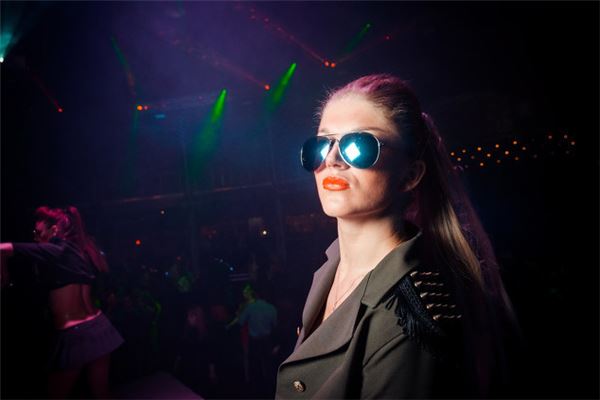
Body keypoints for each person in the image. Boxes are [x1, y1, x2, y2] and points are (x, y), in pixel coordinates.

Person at [276, 74, 519, 398]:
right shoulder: (330, 269)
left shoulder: (408, 320)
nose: (331, 161)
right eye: (321, 144)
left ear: (410, 175)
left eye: (359, 146)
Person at [0, 206, 123, 398]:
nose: (35, 237)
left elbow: (2, 248)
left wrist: (4, 272)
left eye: (38, 232)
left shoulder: (55, 250)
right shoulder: (77, 252)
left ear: (54, 230)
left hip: (75, 334)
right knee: (100, 394)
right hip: (98, 326)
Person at [228, 283, 278, 398]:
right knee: (268, 365)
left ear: (256, 294)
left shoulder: (251, 307)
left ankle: (255, 391)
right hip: (267, 340)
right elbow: (275, 326)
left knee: (255, 367)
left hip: (254, 341)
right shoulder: (272, 308)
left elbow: (241, 322)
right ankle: (269, 390)